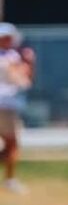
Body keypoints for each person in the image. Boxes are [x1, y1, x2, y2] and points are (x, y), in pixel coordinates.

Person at [0, 23, 32, 194]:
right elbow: (22, 80)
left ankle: (10, 180)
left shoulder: (12, 56)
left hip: (8, 105)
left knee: (10, 145)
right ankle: (10, 180)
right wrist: (27, 64)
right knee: (12, 145)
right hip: (4, 106)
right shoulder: (10, 58)